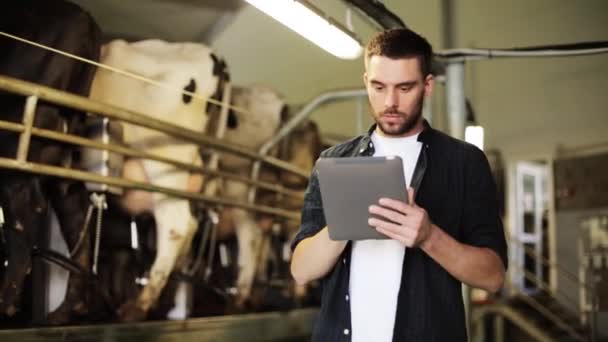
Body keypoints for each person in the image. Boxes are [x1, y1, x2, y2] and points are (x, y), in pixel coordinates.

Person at [290, 28, 507, 342]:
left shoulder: (464, 162)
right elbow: (301, 270)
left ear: (427, 86)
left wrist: (429, 237)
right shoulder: (333, 162)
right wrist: (344, 222)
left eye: (405, 88)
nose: (390, 101)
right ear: (366, 82)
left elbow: (493, 276)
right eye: (379, 87)